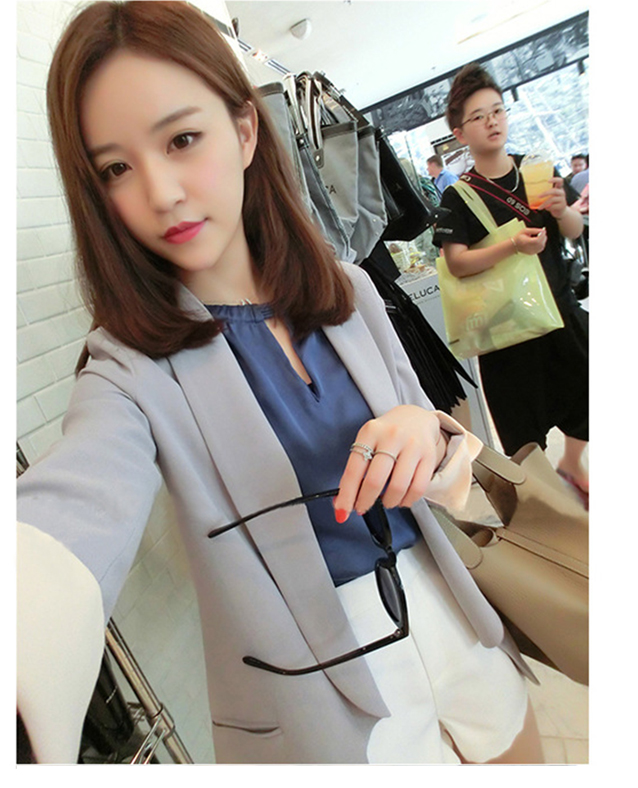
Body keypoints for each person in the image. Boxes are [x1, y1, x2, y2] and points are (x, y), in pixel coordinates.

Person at [16, 2, 545, 765]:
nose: (161, 191)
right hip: (324, 691)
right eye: (116, 168)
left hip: (453, 612)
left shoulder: (347, 291)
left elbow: (446, 459)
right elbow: (74, 505)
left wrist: (425, 434)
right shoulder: (127, 368)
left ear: (243, 130)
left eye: (181, 139)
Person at [432, 63, 589, 504]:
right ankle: (551, 511)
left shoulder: (536, 169)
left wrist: (562, 210)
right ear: (460, 133)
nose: (492, 121)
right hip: (507, 335)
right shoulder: (459, 196)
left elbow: (574, 231)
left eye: (498, 110)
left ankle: (572, 463)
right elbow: (457, 263)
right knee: (523, 441)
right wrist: (512, 246)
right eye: (478, 116)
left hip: (559, 314)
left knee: (589, 400)